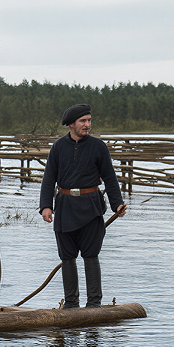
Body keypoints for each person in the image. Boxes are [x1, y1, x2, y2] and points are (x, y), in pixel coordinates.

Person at [39, 104, 127, 309]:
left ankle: (94, 304)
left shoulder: (98, 147)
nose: (87, 125)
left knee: (91, 254)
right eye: (83, 121)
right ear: (71, 124)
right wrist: (46, 206)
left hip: (91, 207)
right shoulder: (58, 147)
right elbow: (48, 178)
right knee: (67, 256)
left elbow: (110, 178)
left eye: (89, 120)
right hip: (65, 207)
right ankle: (71, 304)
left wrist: (117, 204)